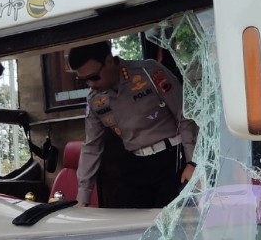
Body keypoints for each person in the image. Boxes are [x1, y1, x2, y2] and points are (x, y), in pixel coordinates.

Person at [67, 41, 198, 208]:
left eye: (94, 77)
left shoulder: (149, 72)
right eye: (83, 81)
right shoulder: (95, 100)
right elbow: (92, 145)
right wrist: (83, 197)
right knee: (122, 213)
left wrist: (192, 163)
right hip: (137, 163)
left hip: (173, 156)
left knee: (171, 214)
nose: (90, 84)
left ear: (109, 61)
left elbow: (184, 115)